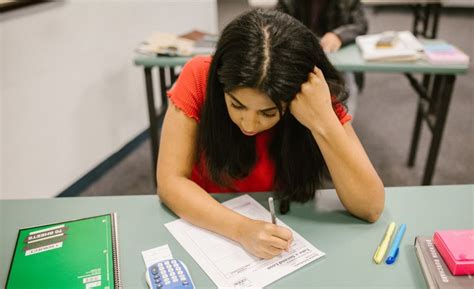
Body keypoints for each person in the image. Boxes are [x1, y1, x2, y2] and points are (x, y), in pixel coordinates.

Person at [157, 9, 384, 260]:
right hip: (207, 217)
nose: (250, 124)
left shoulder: (312, 92)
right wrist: (241, 229)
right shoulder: (200, 76)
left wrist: (323, 122)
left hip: (284, 216)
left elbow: (370, 207)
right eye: (237, 105)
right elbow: (170, 182)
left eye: (268, 113)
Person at [276, 0, 368, 113]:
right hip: (301, 57)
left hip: (337, 62)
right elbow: (276, 23)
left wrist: (339, 35)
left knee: (345, 87)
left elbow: (360, 25)